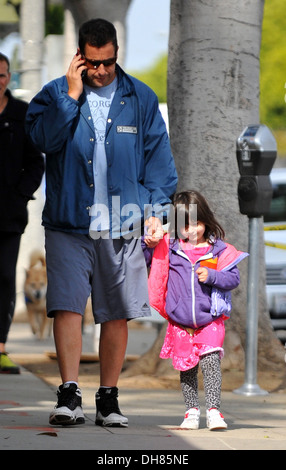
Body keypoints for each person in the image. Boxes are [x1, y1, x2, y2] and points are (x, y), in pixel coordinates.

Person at [25, 18, 177, 427]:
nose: (102, 70)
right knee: (67, 306)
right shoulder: (55, 95)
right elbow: (42, 141)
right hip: (68, 223)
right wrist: (71, 97)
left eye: (108, 61)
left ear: (115, 54)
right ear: (79, 57)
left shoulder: (140, 98)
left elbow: (159, 163)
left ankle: (108, 399)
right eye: (93, 63)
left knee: (116, 313)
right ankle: (69, 395)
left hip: (122, 225)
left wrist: (157, 212)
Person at [143, 190, 248, 430]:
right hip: (180, 322)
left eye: (196, 224)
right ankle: (191, 411)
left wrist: (212, 276)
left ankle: (214, 411)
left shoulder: (218, 249)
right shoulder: (170, 247)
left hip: (210, 319)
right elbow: (149, 258)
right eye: (184, 226)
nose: (190, 231)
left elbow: (233, 279)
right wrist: (148, 242)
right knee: (187, 367)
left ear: (206, 221)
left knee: (211, 363)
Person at [0, 53, 45, 374]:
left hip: (9, 215)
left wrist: (20, 195)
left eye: (2, 75)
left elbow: (36, 162)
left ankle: (0, 347)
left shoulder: (21, 113)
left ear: (9, 77)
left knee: (4, 278)